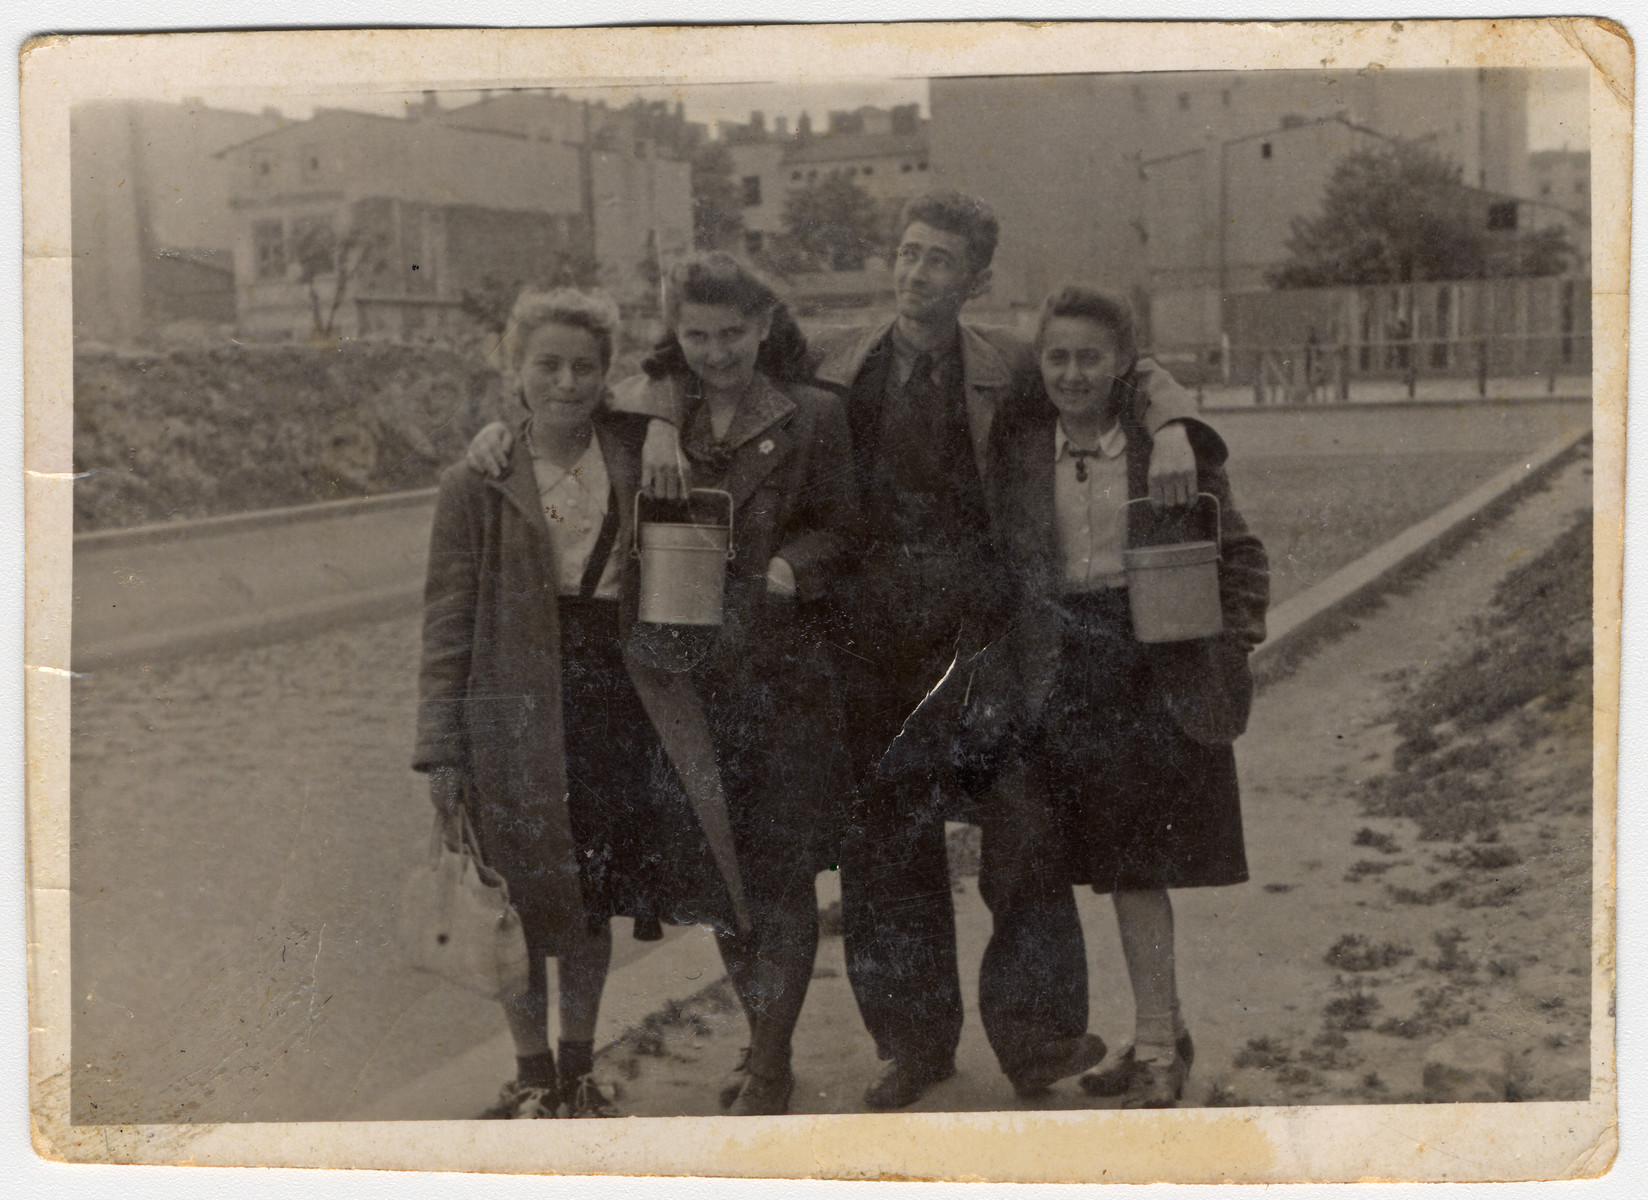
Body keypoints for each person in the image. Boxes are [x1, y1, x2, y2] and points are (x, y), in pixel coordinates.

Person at [461, 256, 857, 1116]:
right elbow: (554, 420)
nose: (716, 353)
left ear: (763, 326)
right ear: (677, 337)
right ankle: (755, 1044)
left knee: (780, 877)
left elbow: (846, 530)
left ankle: (772, 1058)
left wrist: (797, 564)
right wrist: (501, 434)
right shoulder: (648, 412)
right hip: (685, 687)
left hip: (780, 683)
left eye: (733, 334)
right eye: (697, 336)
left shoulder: (815, 414)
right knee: (722, 878)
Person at [413, 289, 746, 1120]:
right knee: (514, 896)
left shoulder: (634, 451)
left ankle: (579, 1067)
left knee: (590, 893)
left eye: (585, 367)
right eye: (548, 364)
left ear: (608, 375)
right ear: (514, 369)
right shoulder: (478, 477)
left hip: (611, 698)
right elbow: (446, 621)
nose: (566, 382)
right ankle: (531, 1072)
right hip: (510, 707)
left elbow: (696, 396)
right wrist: (441, 749)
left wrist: (663, 422)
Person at [987, 285, 1269, 1107]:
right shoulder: (1018, 444)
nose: (1073, 373)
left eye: (1091, 357)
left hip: (1149, 664)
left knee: (1139, 864)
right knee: (1085, 864)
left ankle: (1154, 1044)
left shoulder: (1162, 449)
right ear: (1040, 364)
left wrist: (1233, 643)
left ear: (1123, 366)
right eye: (1058, 357)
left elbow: (1242, 554)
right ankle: (1157, 1029)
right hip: (1055, 667)